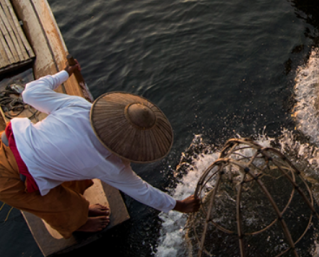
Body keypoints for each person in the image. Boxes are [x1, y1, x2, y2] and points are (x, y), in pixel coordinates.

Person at [0, 61, 199, 238]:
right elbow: (143, 192)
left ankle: (75, 204)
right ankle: (78, 223)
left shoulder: (79, 106)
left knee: (77, 173)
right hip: (10, 177)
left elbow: (30, 93)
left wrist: (64, 73)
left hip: (8, 141)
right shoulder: (111, 166)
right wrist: (180, 205)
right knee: (61, 207)